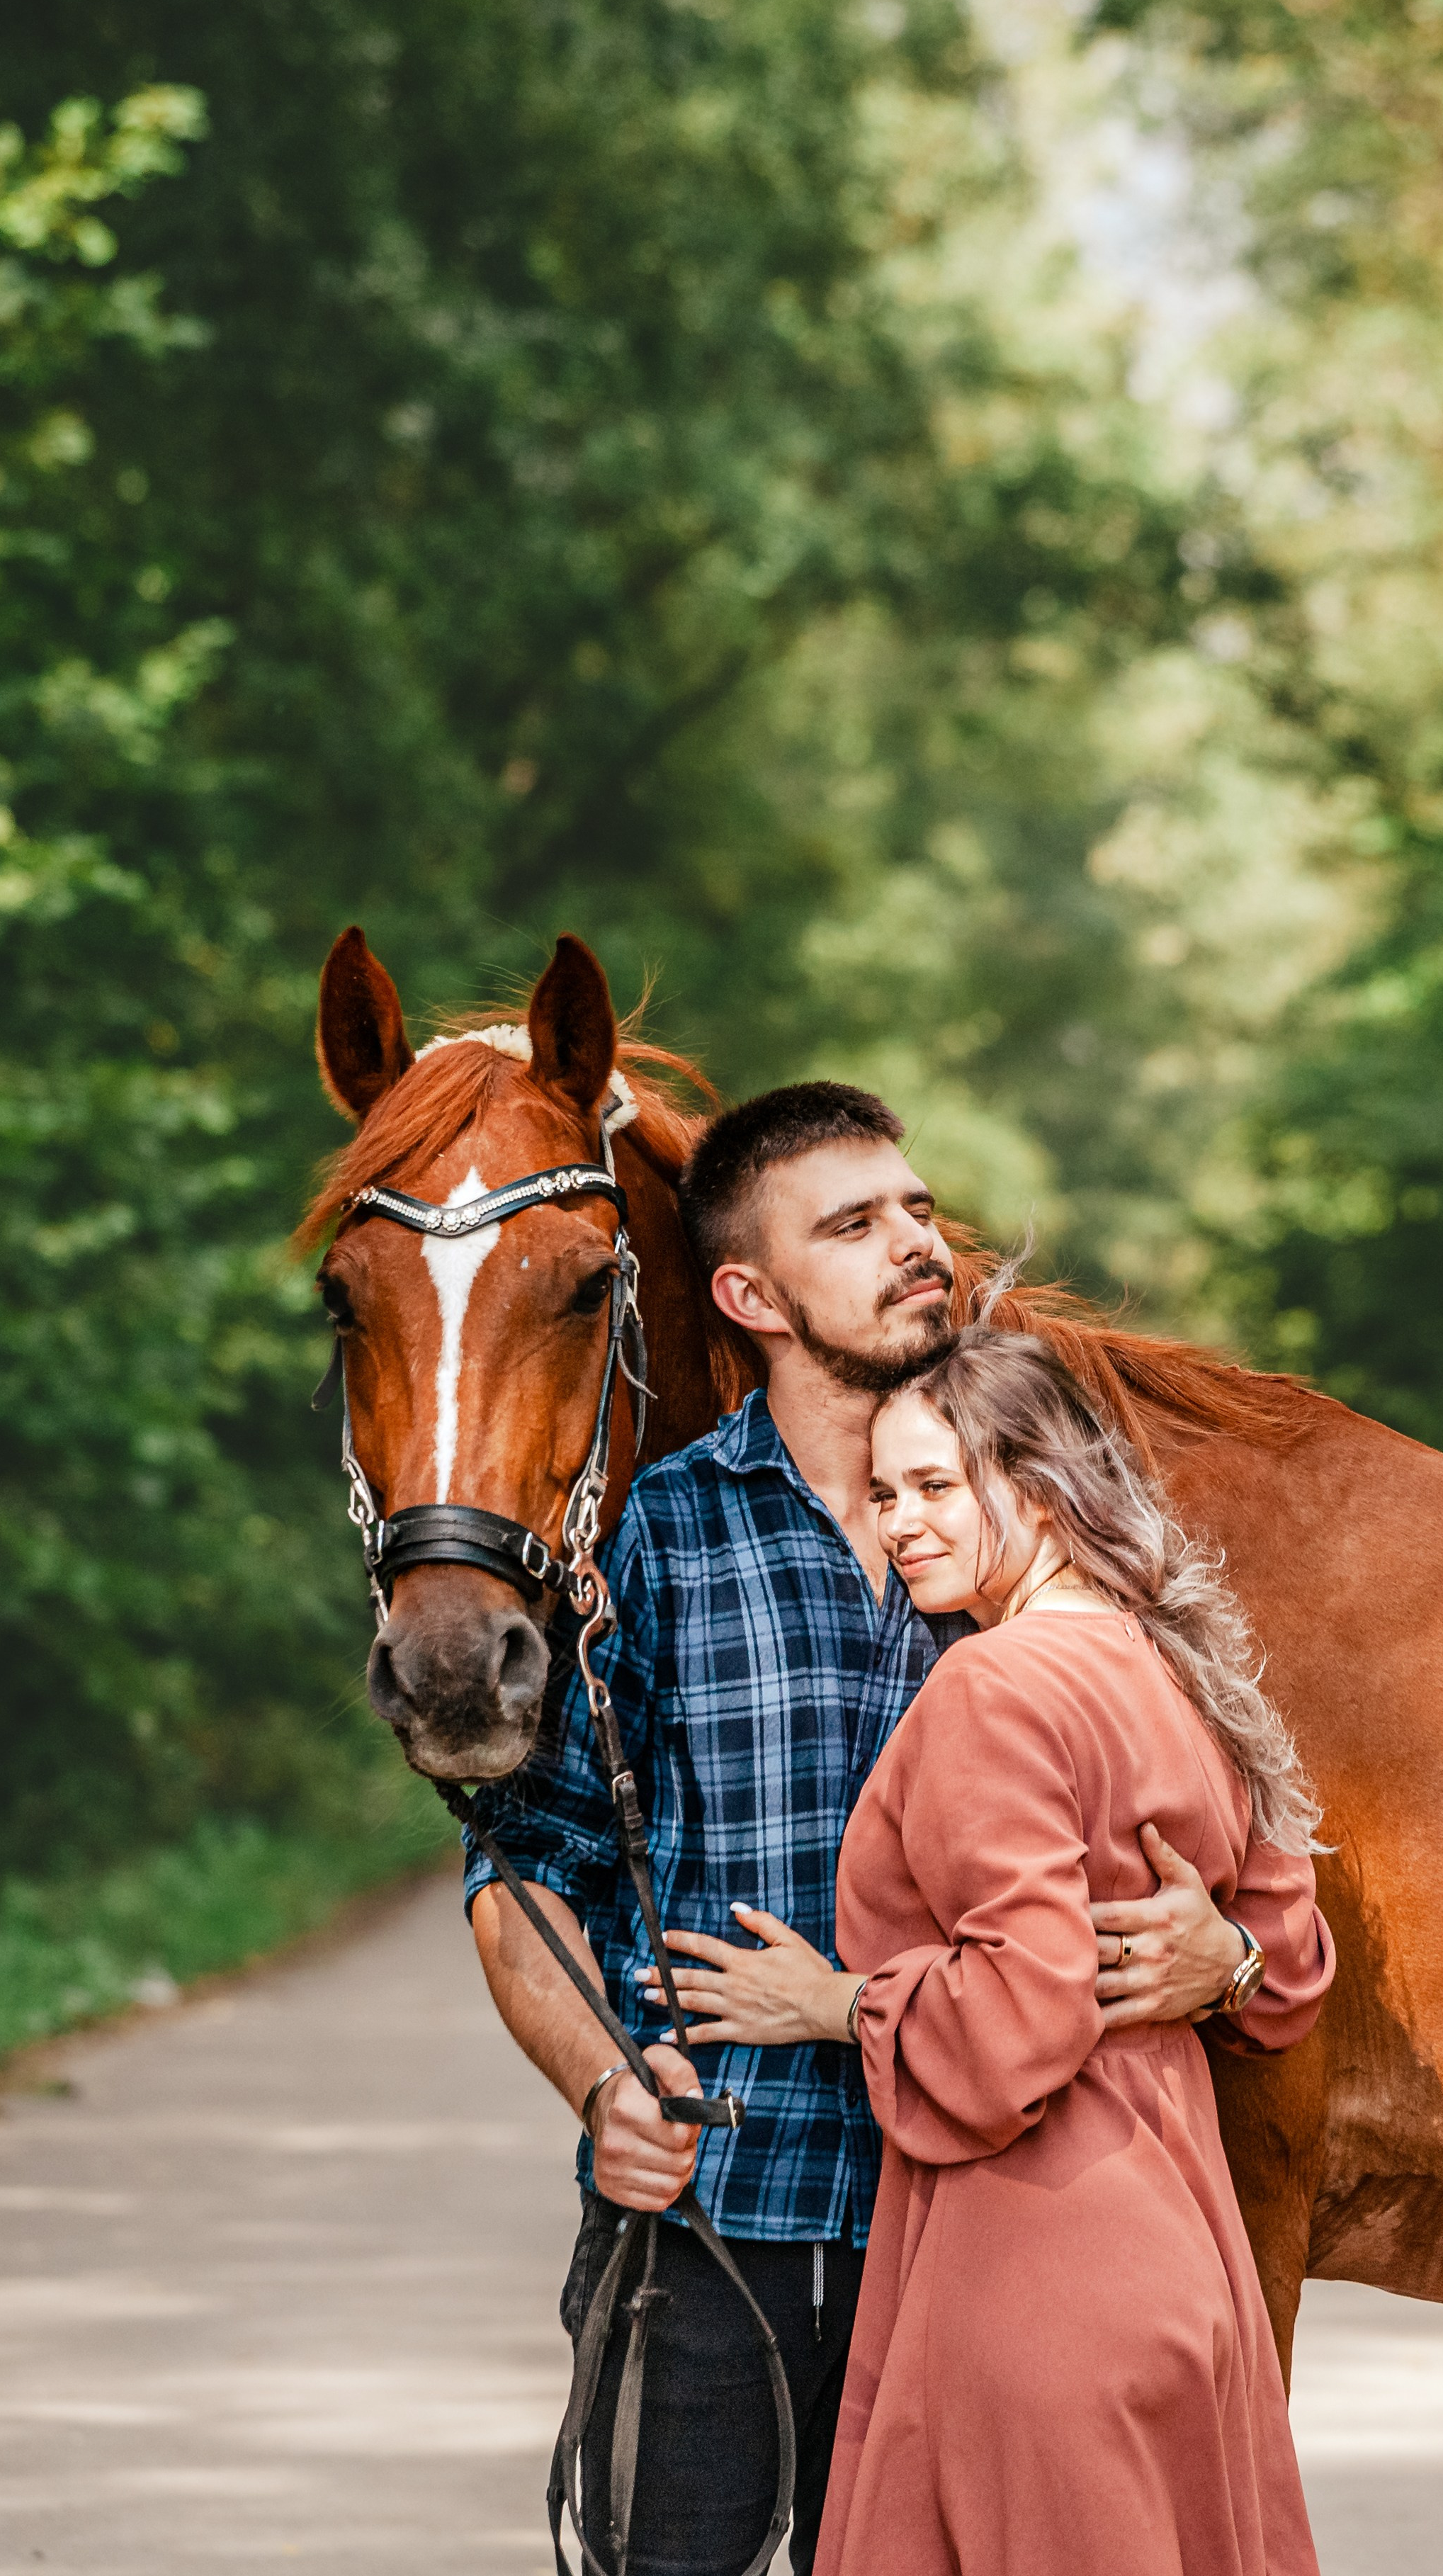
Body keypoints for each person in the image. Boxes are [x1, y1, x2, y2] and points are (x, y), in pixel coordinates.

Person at [465, 1083, 1259, 2576]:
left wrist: (1229, 1954)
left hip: (976, 2237)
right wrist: (601, 2086)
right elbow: (524, 1863)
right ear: (749, 1295)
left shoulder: (1050, 1522)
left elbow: (1243, 1833)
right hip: (720, 2209)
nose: (916, 1245)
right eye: (853, 1224)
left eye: (914, 1208)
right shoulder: (657, 1532)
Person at [811, 1320, 1335, 2576]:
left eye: (938, 1485)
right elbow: (1287, 1959)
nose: (901, 1522)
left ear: (1042, 1486)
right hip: (1184, 2262)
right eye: (883, 1493)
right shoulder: (1174, 1671)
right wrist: (1226, 1966)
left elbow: (1016, 2030)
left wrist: (844, 2004)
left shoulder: (993, 1687)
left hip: (1036, 2265)